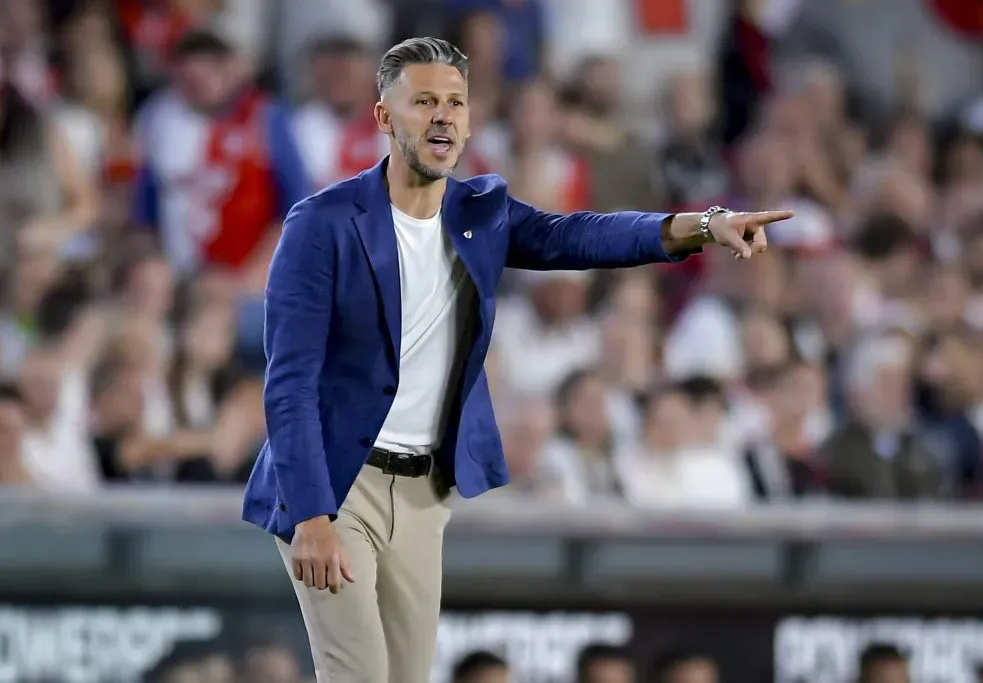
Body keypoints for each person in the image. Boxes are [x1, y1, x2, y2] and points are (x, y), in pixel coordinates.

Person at [241, 36, 793, 683]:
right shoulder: (323, 223)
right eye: (424, 102)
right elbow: (289, 384)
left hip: (424, 490)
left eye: (455, 102)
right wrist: (311, 515)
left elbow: (580, 236)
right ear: (386, 118)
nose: (444, 115)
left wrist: (703, 224)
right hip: (338, 483)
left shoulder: (482, 213)